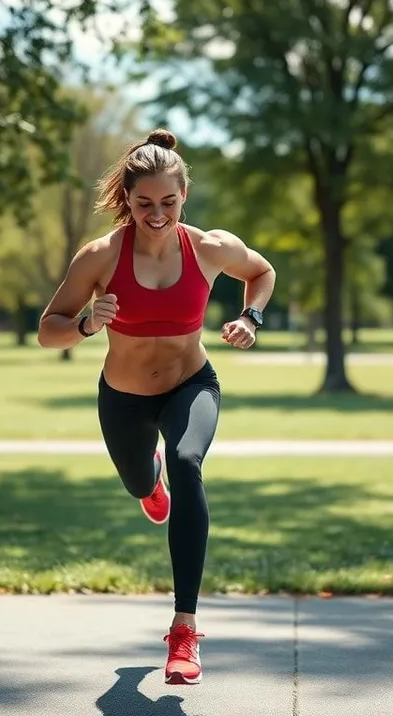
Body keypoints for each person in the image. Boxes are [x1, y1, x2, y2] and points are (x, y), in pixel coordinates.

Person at [37, 128, 276, 685]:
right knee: (140, 482)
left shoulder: (211, 246)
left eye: (169, 201)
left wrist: (250, 318)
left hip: (191, 384)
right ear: (127, 198)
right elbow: (48, 332)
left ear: (183, 195)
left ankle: (184, 629)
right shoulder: (99, 257)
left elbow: (261, 273)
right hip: (122, 399)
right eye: (144, 203)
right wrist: (85, 323)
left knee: (189, 461)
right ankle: (151, 485)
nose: (158, 213)